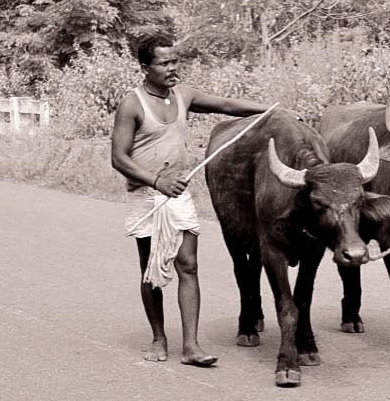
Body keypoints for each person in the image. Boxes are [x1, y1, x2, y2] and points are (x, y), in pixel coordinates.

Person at [110, 33, 270, 367]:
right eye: (164, 63)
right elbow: (119, 158)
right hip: (146, 196)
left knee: (189, 265)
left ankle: (191, 347)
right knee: (153, 269)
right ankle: (158, 339)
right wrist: (156, 180)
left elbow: (226, 105)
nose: (172, 68)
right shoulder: (132, 104)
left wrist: (272, 110)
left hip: (178, 195)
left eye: (175, 61)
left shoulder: (182, 95)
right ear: (145, 67)